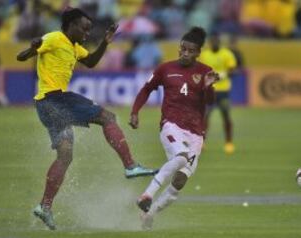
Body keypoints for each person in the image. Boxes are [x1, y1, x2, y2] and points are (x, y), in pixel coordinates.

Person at [16, 8, 157, 230]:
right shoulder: (55, 38)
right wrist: (32, 48)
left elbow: (90, 62)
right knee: (107, 116)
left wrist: (105, 42)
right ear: (70, 25)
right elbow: (22, 56)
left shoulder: (73, 46)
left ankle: (44, 206)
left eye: (89, 29)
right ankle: (130, 165)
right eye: (84, 28)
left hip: (46, 106)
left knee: (65, 156)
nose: (86, 33)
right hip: (55, 99)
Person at [129, 27, 219, 230]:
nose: (185, 53)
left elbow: (209, 102)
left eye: (190, 50)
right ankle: (147, 195)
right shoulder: (165, 69)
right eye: (182, 49)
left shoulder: (205, 71)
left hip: (196, 133)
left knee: (180, 181)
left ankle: (149, 214)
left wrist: (209, 87)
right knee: (180, 157)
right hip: (171, 125)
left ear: (197, 53)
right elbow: (146, 89)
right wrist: (135, 112)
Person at [199, 33, 237, 154]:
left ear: (219, 43)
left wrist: (221, 75)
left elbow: (232, 70)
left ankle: (229, 142)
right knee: (205, 116)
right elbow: (200, 71)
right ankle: (202, 142)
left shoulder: (227, 54)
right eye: (212, 42)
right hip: (209, 90)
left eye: (216, 42)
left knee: (225, 115)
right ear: (210, 43)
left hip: (223, 90)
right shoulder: (204, 55)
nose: (214, 44)